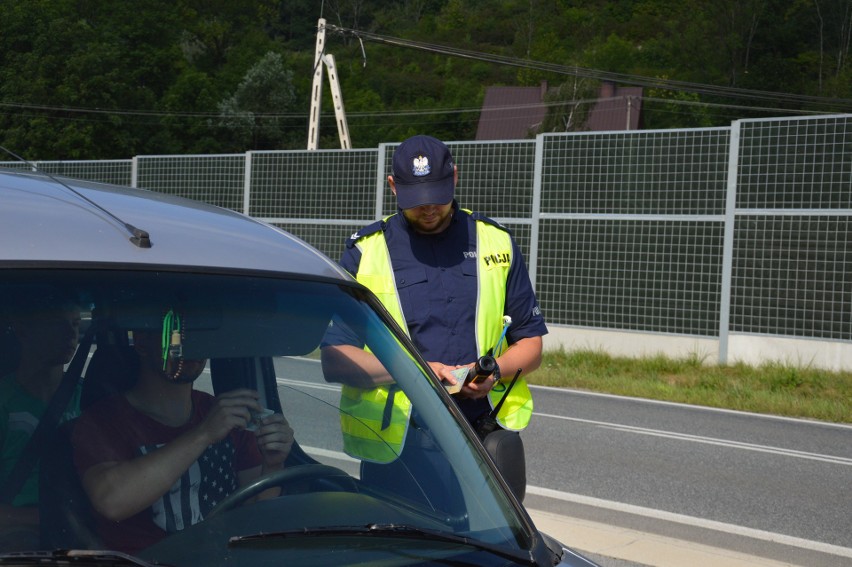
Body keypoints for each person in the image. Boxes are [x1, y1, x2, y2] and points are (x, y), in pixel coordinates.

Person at [323, 135, 547, 493]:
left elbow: (530, 344)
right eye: (416, 201)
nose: (428, 209)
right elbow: (335, 359)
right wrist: (418, 374)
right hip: (398, 450)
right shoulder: (365, 253)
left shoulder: (496, 243)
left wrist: (494, 373)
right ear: (393, 186)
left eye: (437, 198)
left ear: (455, 177)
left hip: (482, 438)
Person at [72, 309, 294, 554]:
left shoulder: (228, 415)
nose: (191, 348)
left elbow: (257, 516)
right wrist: (203, 435)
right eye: (177, 338)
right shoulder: (102, 421)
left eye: (201, 338)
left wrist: (272, 465)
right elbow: (111, 501)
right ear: (143, 343)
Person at [0, 291, 82, 550]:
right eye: (59, 323)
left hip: (92, 533)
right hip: (18, 537)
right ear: (23, 329)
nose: (71, 333)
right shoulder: (4, 402)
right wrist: (52, 518)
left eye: (77, 324)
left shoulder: (91, 397)